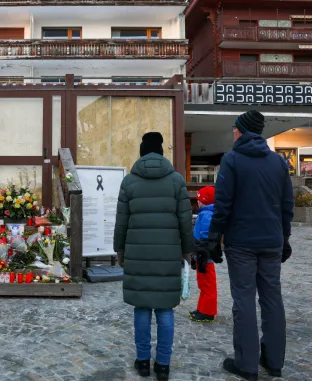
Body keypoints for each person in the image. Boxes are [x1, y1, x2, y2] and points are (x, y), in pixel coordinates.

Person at [204, 110, 294, 381]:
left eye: (234, 127)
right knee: (272, 299)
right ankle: (274, 361)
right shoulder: (278, 163)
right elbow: (287, 206)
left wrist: (213, 239)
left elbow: (223, 205)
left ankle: (247, 364)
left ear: (242, 130)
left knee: (243, 300)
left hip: (241, 242)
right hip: (271, 241)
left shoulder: (231, 160)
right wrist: (284, 237)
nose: (232, 131)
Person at [114, 132, 195, 381]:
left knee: (141, 306)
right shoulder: (177, 181)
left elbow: (121, 222)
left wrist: (120, 250)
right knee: (165, 309)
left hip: (137, 253)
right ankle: (163, 365)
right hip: (168, 253)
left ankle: (142, 361)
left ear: (141, 152)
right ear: (161, 152)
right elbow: (184, 219)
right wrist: (187, 250)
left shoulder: (129, 182)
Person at [189, 186, 218, 323]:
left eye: (200, 199)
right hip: (201, 254)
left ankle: (207, 312)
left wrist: (201, 253)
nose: (198, 202)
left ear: (205, 201)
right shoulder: (206, 213)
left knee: (207, 284)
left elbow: (205, 236)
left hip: (204, 255)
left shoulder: (207, 214)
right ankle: (202, 308)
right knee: (203, 283)